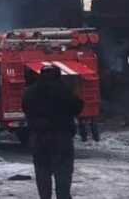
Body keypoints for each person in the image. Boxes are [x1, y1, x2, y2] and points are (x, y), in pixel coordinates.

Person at [22, 64, 84, 199]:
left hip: (39, 138)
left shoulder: (31, 92)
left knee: (42, 170)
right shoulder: (64, 90)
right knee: (63, 171)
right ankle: (63, 196)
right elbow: (78, 107)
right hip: (62, 137)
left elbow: (25, 108)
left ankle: (45, 196)